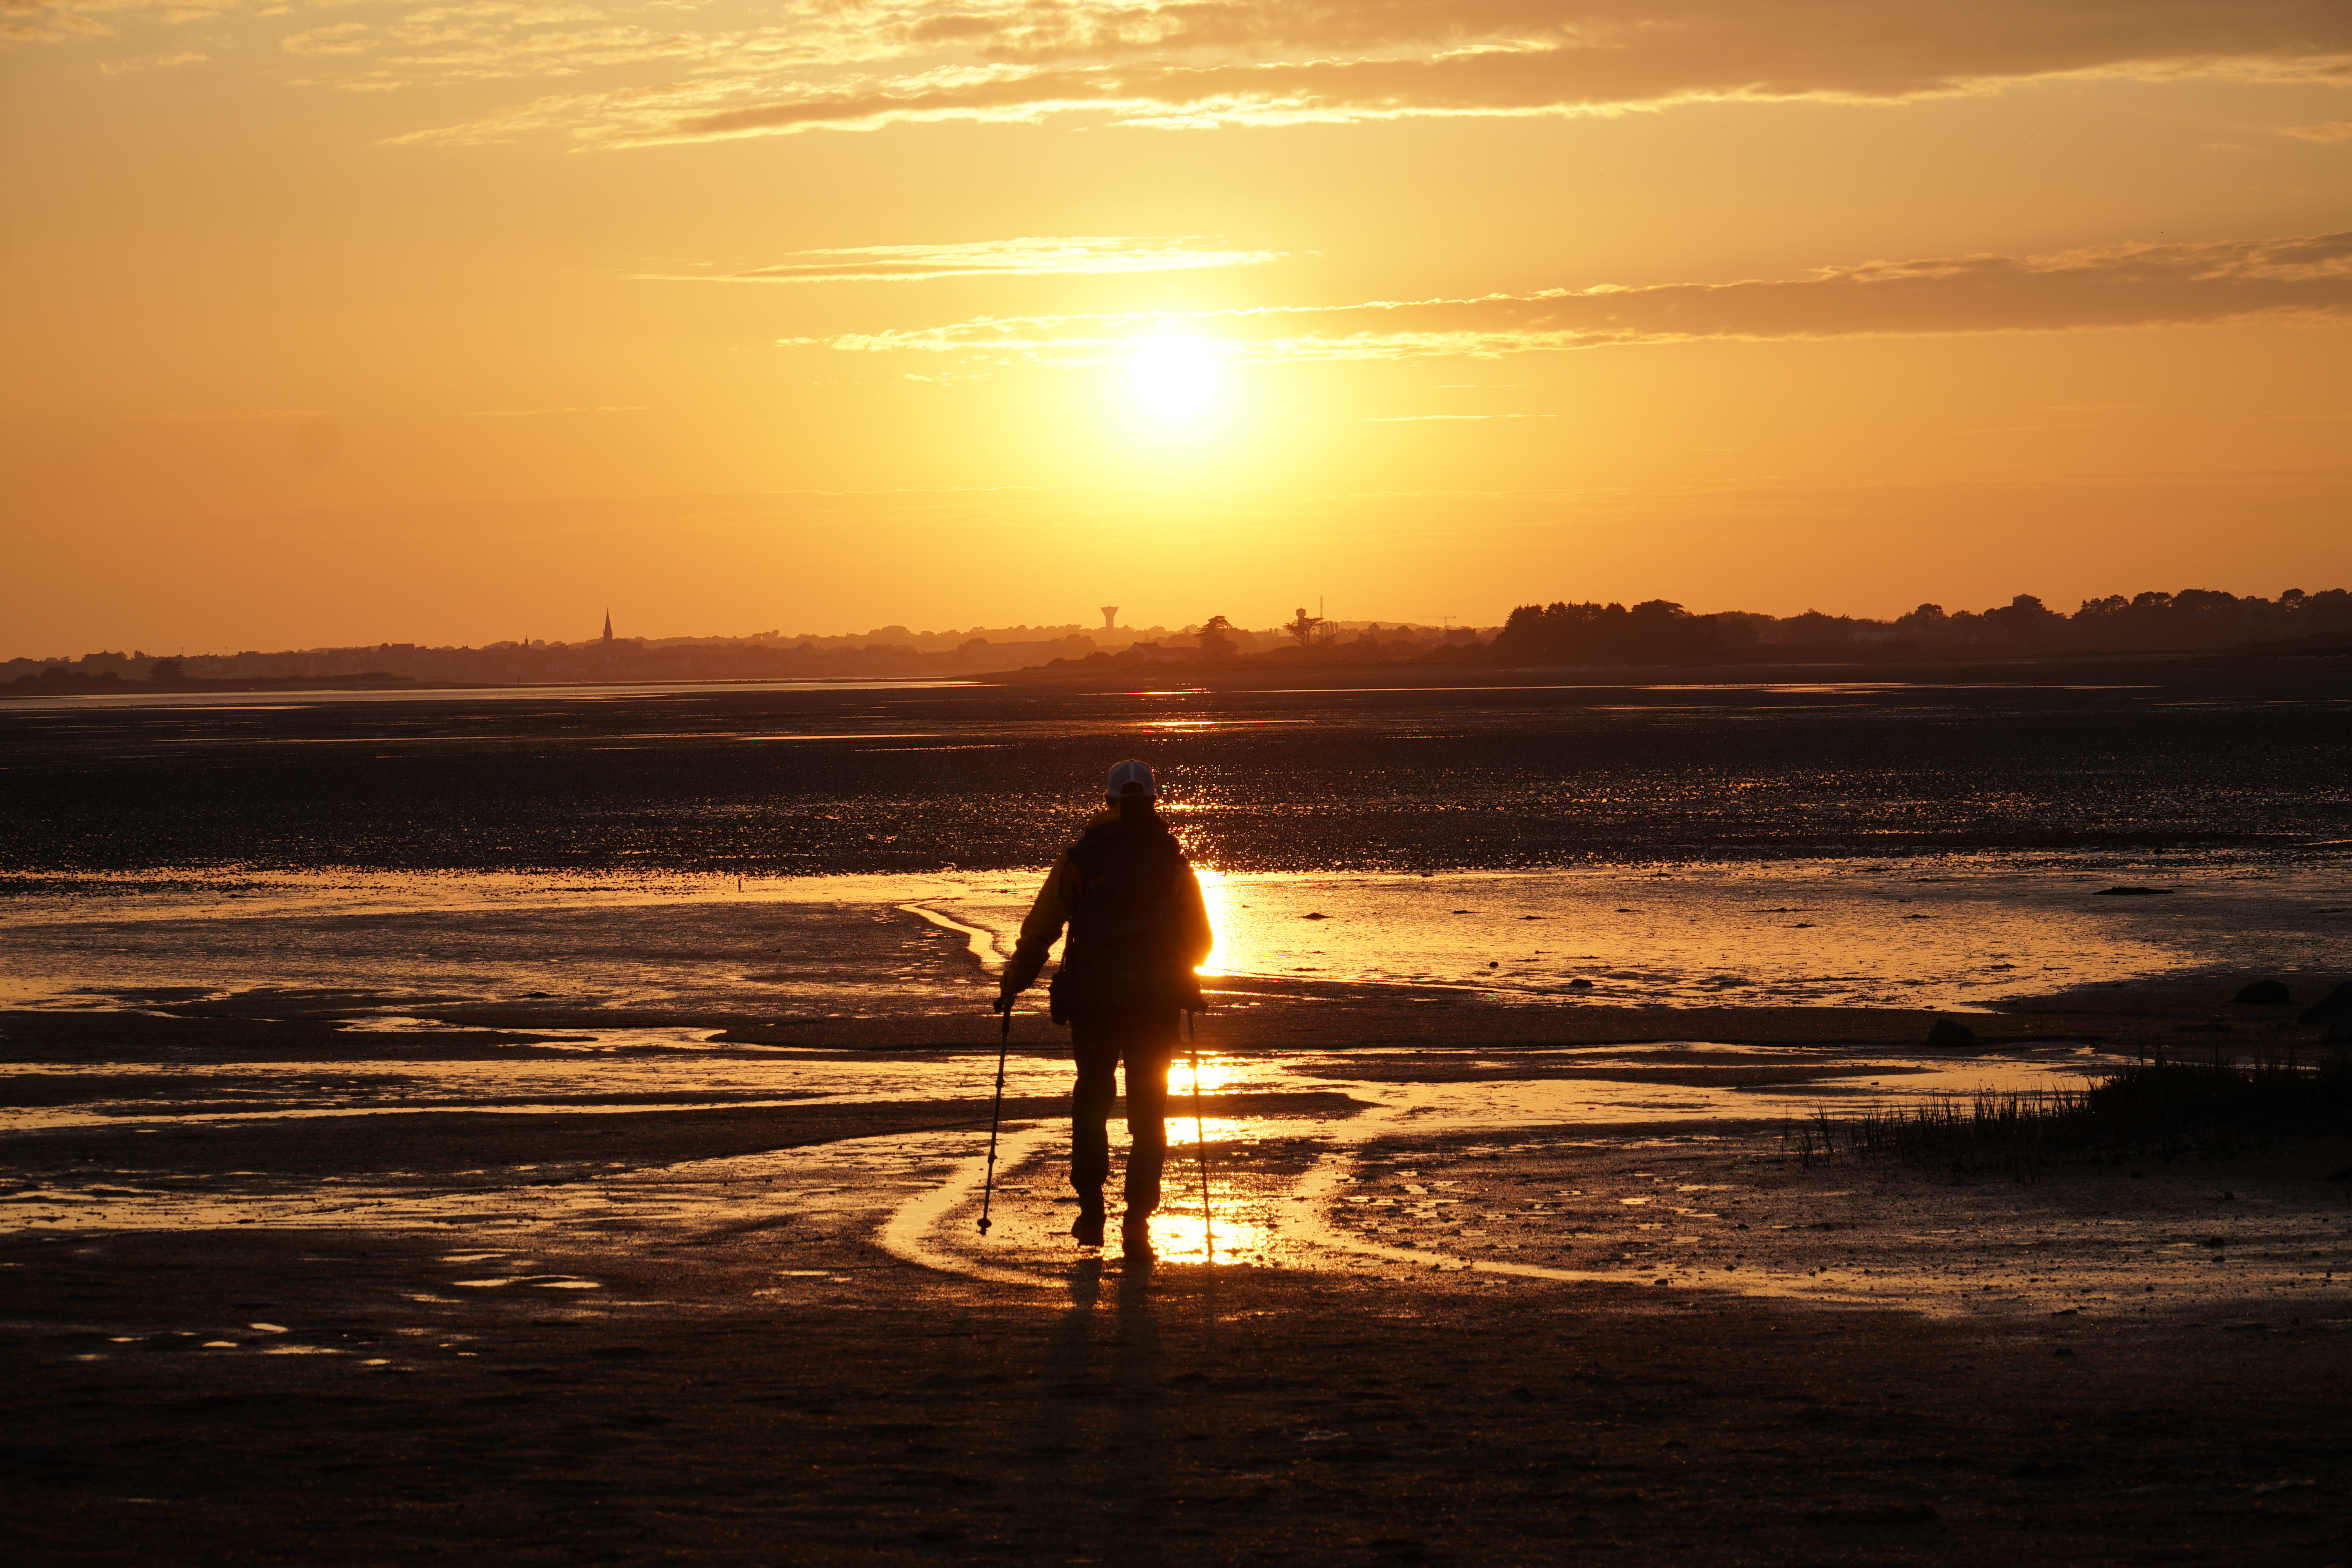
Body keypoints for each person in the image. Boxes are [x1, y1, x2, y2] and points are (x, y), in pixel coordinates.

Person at [995, 760, 1213, 1252]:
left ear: (1108, 802)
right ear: (1151, 802)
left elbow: (1041, 932)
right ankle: (1137, 1222)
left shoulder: (1080, 857)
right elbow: (1201, 943)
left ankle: (1091, 1215)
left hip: (1094, 1002)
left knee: (1092, 1102)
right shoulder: (1174, 859)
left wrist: (1013, 986)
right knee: (1148, 1112)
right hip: (1155, 1003)